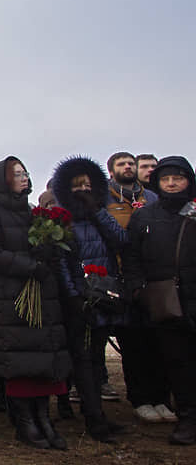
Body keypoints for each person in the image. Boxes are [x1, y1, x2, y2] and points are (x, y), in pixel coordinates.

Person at [0, 156, 71, 450]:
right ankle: (24, 422)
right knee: (18, 360)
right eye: (16, 174)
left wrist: (47, 251)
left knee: (41, 358)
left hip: (39, 295)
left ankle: (43, 418)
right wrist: (30, 267)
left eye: (25, 173)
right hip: (11, 299)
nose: (24, 178)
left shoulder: (33, 213)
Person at [51, 156, 129, 443]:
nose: (83, 189)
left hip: (105, 294)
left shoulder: (100, 213)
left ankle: (97, 413)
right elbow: (60, 261)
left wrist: (98, 211)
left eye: (87, 184)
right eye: (76, 185)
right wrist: (72, 296)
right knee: (83, 359)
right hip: (80, 299)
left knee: (97, 360)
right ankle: (94, 419)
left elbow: (120, 240)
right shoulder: (61, 218)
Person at [123, 156, 196, 445]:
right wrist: (138, 289)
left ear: (188, 180)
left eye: (177, 178)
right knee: (177, 363)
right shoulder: (144, 216)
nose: (171, 183)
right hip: (165, 300)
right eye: (165, 179)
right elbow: (131, 257)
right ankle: (189, 417)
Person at [103, 152, 171, 423]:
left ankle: (162, 398)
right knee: (133, 344)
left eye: (131, 163)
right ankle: (140, 398)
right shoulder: (105, 198)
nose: (128, 167)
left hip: (154, 277)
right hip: (121, 277)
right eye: (122, 164)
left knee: (159, 342)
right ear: (111, 170)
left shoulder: (152, 198)